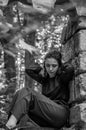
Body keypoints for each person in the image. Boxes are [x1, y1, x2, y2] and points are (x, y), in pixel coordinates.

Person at [6, 40, 74, 129]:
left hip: (60, 113)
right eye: (47, 65)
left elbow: (70, 69)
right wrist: (40, 69)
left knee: (27, 91)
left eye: (54, 66)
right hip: (46, 115)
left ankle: (11, 124)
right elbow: (28, 70)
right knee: (19, 93)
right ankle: (10, 124)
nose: (50, 69)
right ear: (44, 65)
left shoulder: (61, 77)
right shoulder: (44, 79)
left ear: (59, 66)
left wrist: (60, 66)